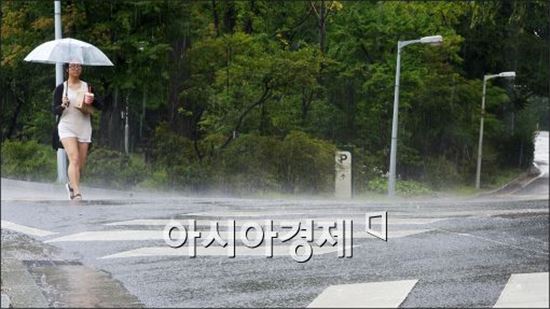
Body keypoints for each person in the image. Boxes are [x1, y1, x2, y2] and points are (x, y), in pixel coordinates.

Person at [52, 62, 103, 200]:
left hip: (84, 127)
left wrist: (92, 100)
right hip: (66, 126)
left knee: (80, 164)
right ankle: (76, 192)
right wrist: (62, 105)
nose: (76, 69)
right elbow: (54, 110)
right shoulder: (61, 88)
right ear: (67, 69)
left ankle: (71, 185)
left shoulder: (88, 86)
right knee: (73, 158)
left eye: (79, 66)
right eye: (73, 66)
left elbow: (101, 106)